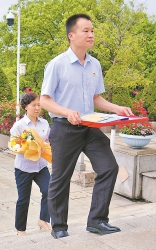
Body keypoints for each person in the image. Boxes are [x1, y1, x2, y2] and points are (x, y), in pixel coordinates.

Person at [40, 14, 133, 239]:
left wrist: (117, 108)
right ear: (72, 35)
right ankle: (59, 225)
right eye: (86, 31)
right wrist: (66, 112)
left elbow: (95, 99)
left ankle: (97, 221)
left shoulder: (95, 64)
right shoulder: (57, 64)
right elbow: (44, 100)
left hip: (90, 127)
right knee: (61, 178)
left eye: (92, 30)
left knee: (109, 168)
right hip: (64, 128)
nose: (91, 34)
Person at [10, 92, 51, 236]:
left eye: (39, 105)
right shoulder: (19, 125)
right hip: (24, 168)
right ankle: (20, 229)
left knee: (49, 191)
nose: (37, 108)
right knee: (23, 199)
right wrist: (29, 148)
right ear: (26, 107)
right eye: (34, 105)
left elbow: (48, 140)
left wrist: (45, 145)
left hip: (41, 167)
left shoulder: (44, 123)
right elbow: (14, 146)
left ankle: (43, 220)